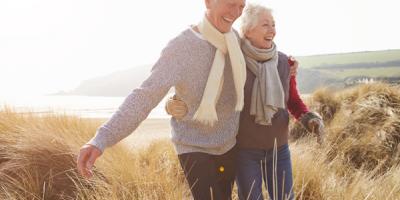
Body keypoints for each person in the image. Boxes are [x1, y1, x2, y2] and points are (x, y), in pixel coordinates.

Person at [76, 0, 248, 199]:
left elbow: (259, 66)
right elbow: (145, 95)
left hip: (228, 144)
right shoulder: (181, 47)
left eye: (242, 6)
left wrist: (288, 68)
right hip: (193, 145)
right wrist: (101, 139)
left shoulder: (235, 40)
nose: (236, 13)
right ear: (209, 2)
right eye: (231, 4)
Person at [165, 4, 324, 200]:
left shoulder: (285, 63)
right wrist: (172, 102)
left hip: (279, 150)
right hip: (245, 152)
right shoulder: (233, 60)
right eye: (265, 25)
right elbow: (206, 89)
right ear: (248, 30)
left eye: (274, 25)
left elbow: (292, 101)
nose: (272, 30)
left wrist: (308, 118)